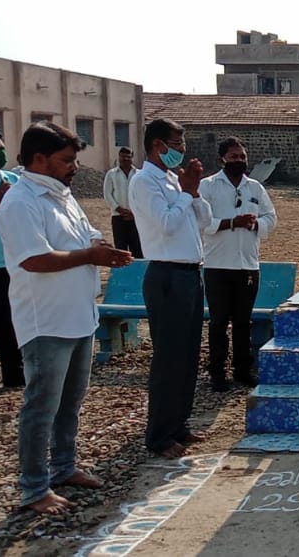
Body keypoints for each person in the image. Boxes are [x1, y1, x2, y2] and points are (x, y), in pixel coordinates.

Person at [0, 122, 133, 514]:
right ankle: (33, 488)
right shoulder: (21, 202)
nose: (74, 167)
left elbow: (87, 235)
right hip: (46, 321)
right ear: (37, 159)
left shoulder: (62, 195)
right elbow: (33, 259)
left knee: (71, 401)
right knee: (41, 404)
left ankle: (63, 467)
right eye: (66, 160)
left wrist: (100, 248)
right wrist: (91, 256)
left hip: (79, 315)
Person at [129, 118, 212, 459]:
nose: (182, 150)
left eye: (183, 144)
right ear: (157, 145)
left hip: (191, 273)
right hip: (166, 274)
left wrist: (193, 192)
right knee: (168, 358)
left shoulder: (173, 180)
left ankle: (179, 424)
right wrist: (186, 194)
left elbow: (204, 221)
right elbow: (166, 225)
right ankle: (159, 435)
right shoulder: (143, 182)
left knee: (188, 355)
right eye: (177, 144)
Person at [199, 137, 277, 392]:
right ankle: (217, 372)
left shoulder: (254, 187)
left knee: (243, 322)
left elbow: (271, 218)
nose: (239, 161)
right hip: (217, 265)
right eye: (233, 157)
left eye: (242, 156)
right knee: (219, 322)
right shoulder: (208, 186)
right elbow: (203, 223)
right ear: (223, 159)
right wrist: (233, 222)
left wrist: (256, 224)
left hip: (248, 265)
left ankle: (243, 370)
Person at [0, 134, 25, 388]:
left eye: (1, 149)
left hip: (9, 263)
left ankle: (14, 377)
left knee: (10, 322)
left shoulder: (14, 181)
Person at [103, 146, 143, 258]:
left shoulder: (139, 174)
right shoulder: (111, 174)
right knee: (121, 249)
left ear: (132, 158)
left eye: (128, 157)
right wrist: (120, 210)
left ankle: (138, 274)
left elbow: (143, 196)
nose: (125, 159)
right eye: (122, 157)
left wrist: (134, 213)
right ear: (119, 157)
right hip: (118, 217)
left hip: (136, 217)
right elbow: (107, 194)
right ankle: (123, 273)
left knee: (138, 249)